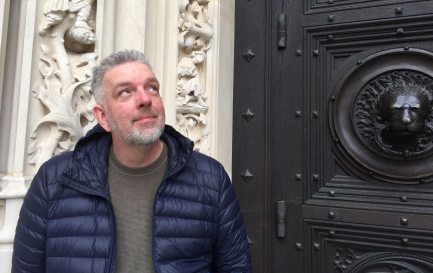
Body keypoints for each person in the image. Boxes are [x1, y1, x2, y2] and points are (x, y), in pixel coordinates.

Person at [12, 49, 252, 273]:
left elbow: (235, 267)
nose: (145, 99)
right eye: (125, 92)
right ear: (103, 117)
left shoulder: (210, 178)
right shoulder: (54, 180)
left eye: (152, 88)